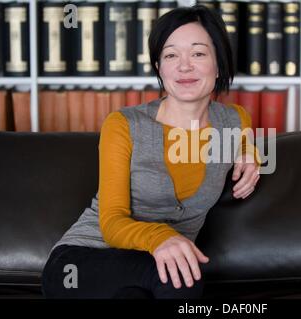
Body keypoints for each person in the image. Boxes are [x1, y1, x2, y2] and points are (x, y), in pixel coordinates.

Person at [42, 5, 260, 299]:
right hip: (81, 262)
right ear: (160, 67)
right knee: (179, 277)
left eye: (198, 53)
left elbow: (244, 130)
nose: (184, 66)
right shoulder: (123, 125)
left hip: (153, 274)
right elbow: (112, 221)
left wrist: (250, 151)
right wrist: (162, 238)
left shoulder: (233, 120)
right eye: (171, 55)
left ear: (218, 63)